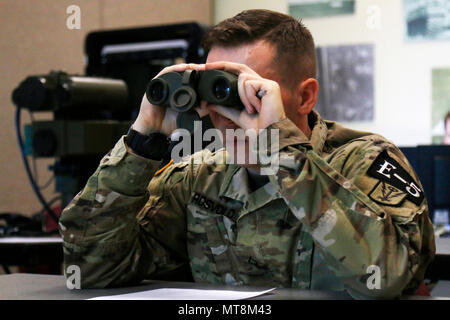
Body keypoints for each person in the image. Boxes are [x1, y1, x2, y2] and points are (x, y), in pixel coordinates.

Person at [59, 9, 435, 299]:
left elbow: (386, 278)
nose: (223, 113)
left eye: (246, 91)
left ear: (304, 96)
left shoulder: (364, 163)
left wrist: (280, 149)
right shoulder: (198, 177)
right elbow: (91, 271)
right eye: (216, 89)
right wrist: (143, 140)